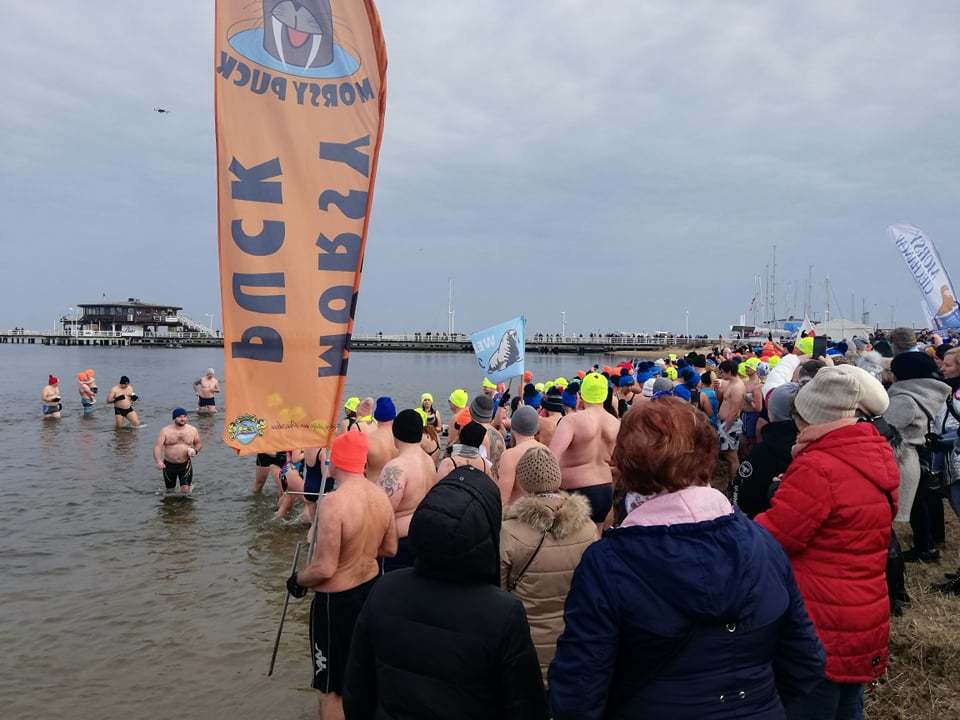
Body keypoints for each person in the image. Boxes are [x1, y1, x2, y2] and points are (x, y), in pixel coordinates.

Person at [550, 398, 825, 719]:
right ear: (706, 454)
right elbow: (806, 659)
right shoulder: (762, 542)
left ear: (625, 466)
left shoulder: (607, 563)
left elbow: (578, 692)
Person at [343, 466, 549, 720]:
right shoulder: (503, 612)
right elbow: (525, 705)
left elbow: (356, 690)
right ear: (487, 530)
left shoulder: (385, 589)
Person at [756, 365, 899, 719]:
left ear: (812, 417)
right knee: (848, 702)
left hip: (821, 613)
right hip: (864, 605)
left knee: (811, 702)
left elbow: (774, 538)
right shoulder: (873, 453)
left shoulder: (818, 466)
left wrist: (746, 522)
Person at [286, 432, 397, 720]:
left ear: (335, 462)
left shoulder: (334, 502)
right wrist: (360, 553)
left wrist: (298, 579)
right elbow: (390, 548)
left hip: (335, 603)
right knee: (361, 673)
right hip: (370, 591)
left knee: (331, 687)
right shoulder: (380, 495)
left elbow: (324, 568)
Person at [500, 446, 597, 682]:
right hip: (573, 641)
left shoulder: (509, 531)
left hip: (524, 642)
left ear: (523, 482)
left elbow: (499, 591)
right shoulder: (588, 528)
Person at [884, 351, 951, 563]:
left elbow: (885, 428)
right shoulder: (922, 394)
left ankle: (922, 547)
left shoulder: (904, 400)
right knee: (919, 503)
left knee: (912, 505)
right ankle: (926, 545)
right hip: (915, 453)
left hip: (901, 456)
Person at [550, 372, 620, 524]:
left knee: (571, 538)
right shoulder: (616, 423)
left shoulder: (572, 421)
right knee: (597, 535)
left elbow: (551, 458)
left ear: (581, 395)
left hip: (575, 493)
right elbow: (620, 461)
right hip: (605, 490)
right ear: (604, 395)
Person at [377, 409, 437, 572]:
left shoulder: (396, 467)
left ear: (395, 434)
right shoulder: (428, 461)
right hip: (423, 534)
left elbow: (382, 515)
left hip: (399, 543)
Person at [730, 383, 799, 518]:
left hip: (760, 520)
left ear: (771, 412)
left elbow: (741, 489)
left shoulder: (762, 451)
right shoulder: (809, 445)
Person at [495, 406, 546, 508]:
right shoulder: (546, 451)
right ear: (536, 428)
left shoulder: (510, 456)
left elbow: (502, 499)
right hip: (542, 512)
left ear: (513, 427)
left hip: (518, 512)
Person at [153, 408, 201, 493]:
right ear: (174, 418)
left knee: (185, 490)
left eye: (184, 416)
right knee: (170, 490)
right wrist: (158, 461)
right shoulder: (165, 431)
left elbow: (198, 443)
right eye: (179, 417)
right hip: (168, 465)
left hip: (185, 464)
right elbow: (157, 447)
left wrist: (195, 450)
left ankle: (184, 501)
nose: (183, 419)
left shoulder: (192, 430)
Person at [717, 360, 745, 476]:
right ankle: (733, 480)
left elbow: (734, 410)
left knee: (731, 456)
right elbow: (723, 400)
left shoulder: (737, 387)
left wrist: (726, 427)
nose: (721, 374)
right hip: (725, 422)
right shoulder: (730, 383)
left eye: (722, 372)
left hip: (730, 424)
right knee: (728, 455)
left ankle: (735, 482)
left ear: (729, 372)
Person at [365, 397, 398, 482]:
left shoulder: (369, 439)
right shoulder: (403, 439)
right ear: (394, 415)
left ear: (376, 415)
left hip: (374, 485)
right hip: (396, 486)